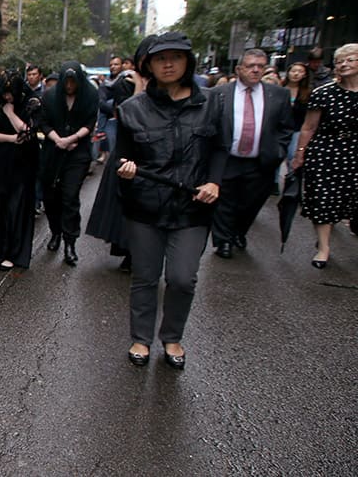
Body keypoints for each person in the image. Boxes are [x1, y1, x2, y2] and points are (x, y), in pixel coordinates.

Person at [115, 33, 226, 369]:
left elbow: (220, 148)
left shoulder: (210, 103)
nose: (168, 64)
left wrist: (214, 182)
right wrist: (126, 170)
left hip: (192, 207)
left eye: (176, 57)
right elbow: (122, 157)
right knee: (145, 276)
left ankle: (173, 337)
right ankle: (141, 338)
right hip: (146, 206)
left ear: (187, 62)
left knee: (182, 277)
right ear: (148, 65)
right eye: (160, 58)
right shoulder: (131, 109)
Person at [211, 48, 293, 259]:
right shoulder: (220, 94)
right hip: (227, 158)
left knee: (251, 202)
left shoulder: (278, 94)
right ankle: (223, 241)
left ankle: (239, 232)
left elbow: (285, 128)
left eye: (260, 66)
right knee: (224, 201)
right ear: (239, 69)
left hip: (261, 160)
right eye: (250, 66)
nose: (256, 70)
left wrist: (278, 151)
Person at [86, 35, 156, 272]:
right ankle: (128, 252)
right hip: (129, 150)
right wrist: (137, 86)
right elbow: (124, 112)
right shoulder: (126, 82)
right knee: (124, 204)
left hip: (156, 156)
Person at [291, 43, 358, 269]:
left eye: (350, 59)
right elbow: (309, 127)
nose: (344, 64)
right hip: (326, 153)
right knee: (323, 200)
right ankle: (323, 247)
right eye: (340, 61)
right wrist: (300, 155)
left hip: (355, 154)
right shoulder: (324, 93)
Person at [38, 61, 99, 266]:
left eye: (74, 81)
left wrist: (72, 139)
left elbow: (89, 123)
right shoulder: (49, 96)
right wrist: (59, 140)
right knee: (51, 196)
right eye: (67, 81)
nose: (70, 85)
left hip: (77, 153)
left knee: (70, 197)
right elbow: (43, 123)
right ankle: (55, 232)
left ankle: (70, 243)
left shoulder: (90, 95)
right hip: (53, 151)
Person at [0, 70, 39, 270]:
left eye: (10, 92)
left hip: (21, 166)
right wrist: (11, 139)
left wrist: (10, 113)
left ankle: (12, 253)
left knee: (15, 210)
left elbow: (28, 133)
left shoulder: (31, 102)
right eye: (4, 93)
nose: (7, 97)